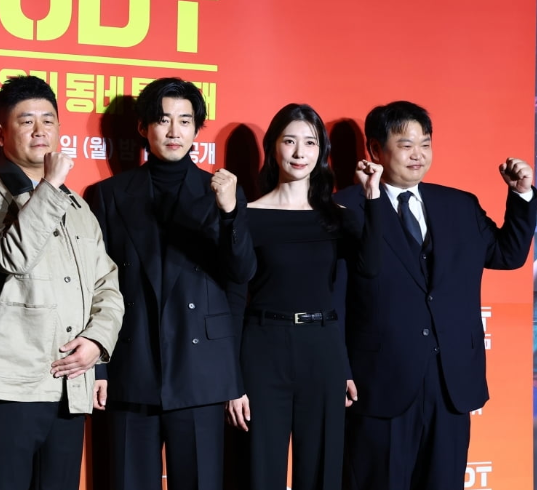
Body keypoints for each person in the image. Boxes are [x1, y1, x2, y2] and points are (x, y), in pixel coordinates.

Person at [336, 101, 537, 490]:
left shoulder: (459, 205)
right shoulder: (347, 207)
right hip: (379, 382)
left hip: (450, 384)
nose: (418, 155)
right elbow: (335, 296)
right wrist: (340, 367)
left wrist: (522, 195)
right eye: (406, 145)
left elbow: (508, 255)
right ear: (375, 149)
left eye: (425, 144)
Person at [87, 77, 255, 490]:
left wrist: (229, 213)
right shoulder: (108, 195)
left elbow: (240, 275)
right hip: (132, 366)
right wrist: (100, 366)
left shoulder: (221, 191)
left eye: (185, 120)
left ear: (197, 128)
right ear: (143, 127)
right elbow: (94, 284)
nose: (174, 131)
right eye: (163, 120)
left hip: (200, 371)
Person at [0, 75, 124, 490]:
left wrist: (97, 343)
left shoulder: (78, 205)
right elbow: (11, 256)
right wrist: (49, 185)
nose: (40, 131)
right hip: (9, 388)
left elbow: (107, 284)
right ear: (0, 134)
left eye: (48, 121)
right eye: (26, 121)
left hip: (69, 388)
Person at [225, 103, 382, 490]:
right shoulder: (248, 214)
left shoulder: (338, 216)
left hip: (323, 349)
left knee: (322, 471)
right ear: (272, 147)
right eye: (289, 141)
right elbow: (233, 298)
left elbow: (369, 270)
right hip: (263, 350)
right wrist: (232, 382)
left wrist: (373, 196)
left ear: (322, 151)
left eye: (310, 143)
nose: (299, 153)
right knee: (259, 472)